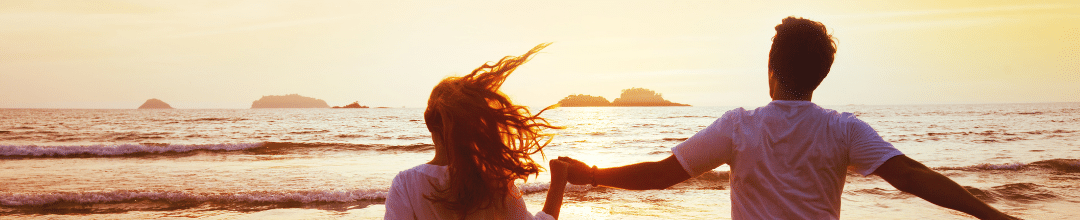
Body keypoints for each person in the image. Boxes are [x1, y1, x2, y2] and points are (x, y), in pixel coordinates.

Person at [558, 17, 1018, 219]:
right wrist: (991, 216)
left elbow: (662, 174)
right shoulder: (844, 129)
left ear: (772, 71)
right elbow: (912, 176)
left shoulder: (738, 126)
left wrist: (593, 175)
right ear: (820, 76)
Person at [385, 43, 569, 220]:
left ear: (429, 124)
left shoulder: (407, 184)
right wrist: (559, 181)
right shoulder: (495, 184)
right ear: (475, 127)